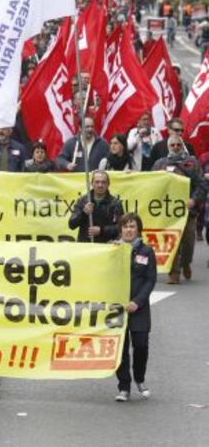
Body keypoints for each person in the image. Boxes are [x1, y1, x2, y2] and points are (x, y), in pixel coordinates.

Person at [152, 135, 207, 283]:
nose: (175, 147)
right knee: (171, 241)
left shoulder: (192, 163)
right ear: (168, 147)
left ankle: (186, 263)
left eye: (178, 145)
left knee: (188, 242)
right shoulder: (160, 164)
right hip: (167, 211)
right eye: (172, 145)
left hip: (187, 212)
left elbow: (202, 185)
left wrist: (193, 200)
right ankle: (173, 272)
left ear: (182, 146)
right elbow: (150, 182)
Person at [115, 212, 157, 403]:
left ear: (138, 230)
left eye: (132, 226)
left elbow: (150, 280)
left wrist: (137, 302)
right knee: (120, 349)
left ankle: (139, 379)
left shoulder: (147, 251)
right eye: (125, 226)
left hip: (139, 308)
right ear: (120, 229)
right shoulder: (112, 249)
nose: (128, 230)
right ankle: (124, 387)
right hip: (118, 308)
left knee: (141, 345)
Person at [68, 170, 123, 242]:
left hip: (106, 246)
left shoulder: (115, 203)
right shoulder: (83, 201)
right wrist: (84, 213)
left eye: (103, 182)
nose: (100, 185)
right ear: (92, 184)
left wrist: (102, 230)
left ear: (108, 184)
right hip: (85, 245)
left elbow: (120, 228)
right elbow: (71, 224)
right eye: (97, 182)